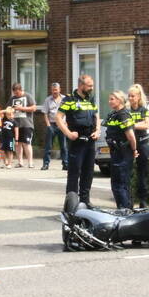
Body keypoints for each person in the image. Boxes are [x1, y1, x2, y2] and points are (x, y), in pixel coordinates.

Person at [56, 74, 100, 205]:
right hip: (77, 141)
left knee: (89, 172)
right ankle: (71, 203)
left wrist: (98, 130)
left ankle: (85, 201)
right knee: (74, 172)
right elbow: (58, 118)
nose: (92, 88)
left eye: (92, 85)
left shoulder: (90, 99)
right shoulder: (69, 100)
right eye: (89, 86)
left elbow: (97, 115)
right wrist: (68, 134)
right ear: (81, 85)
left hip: (90, 140)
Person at [104, 91, 139, 210]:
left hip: (123, 153)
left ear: (119, 100)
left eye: (112, 99)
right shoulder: (114, 114)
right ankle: (123, 208)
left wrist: (134, 150)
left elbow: (131, 136)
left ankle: (125, 210)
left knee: (121, 184)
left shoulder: (123, 115)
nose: (109, 101)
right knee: (117, 184)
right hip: (116, 152)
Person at [128, 84, 149, 208]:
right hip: (129, 145)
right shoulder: (126, 111)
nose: (130, 98)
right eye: (129, 96)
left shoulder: (144, 110)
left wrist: (131, 125)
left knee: (142, 173)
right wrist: (138, 123)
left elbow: (147, 125)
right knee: (129, 173)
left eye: (133, 96)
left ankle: (143, 200)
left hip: (142, 144)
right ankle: (129, 200)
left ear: (138, 97)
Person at [41, 82, 68, 171]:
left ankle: (65, 163)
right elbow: (45, 113)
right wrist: (48, 125)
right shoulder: (48, 100)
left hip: (62, 124)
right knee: (48, 146)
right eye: (53, 90)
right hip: (52, 124)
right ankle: (46, 164)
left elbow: (69, 112)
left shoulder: (65, 99)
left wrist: (66, 124)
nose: (54, 91)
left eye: (56, 90)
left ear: (59, 90)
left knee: (63, 146)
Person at [10, 83, 37, 168]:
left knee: (27, 143)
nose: (16, 95)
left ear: (21, 90)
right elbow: (8, 108)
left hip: (27, 123)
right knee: (18, 144)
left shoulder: (28, 96)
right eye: (15, 93)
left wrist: (21, 108)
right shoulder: (12, 98)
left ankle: (30, 162)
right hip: (16, 124)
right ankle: (20, 162)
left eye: (17, 93)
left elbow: (34, 108)